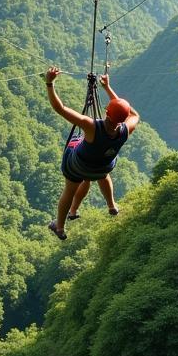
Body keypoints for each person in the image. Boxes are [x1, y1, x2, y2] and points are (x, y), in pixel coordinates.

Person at [45, 66, 140, 240]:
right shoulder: (127, 129)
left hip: (79, 167)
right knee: (102, 174)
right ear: (123, 118)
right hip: (102, 168)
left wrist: (49, 83)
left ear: (106, 112)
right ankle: (111, 205)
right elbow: (134, 115)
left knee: (70, 189)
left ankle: (59, 226)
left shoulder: (91, 126)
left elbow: (60, 108)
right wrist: (108, 89)